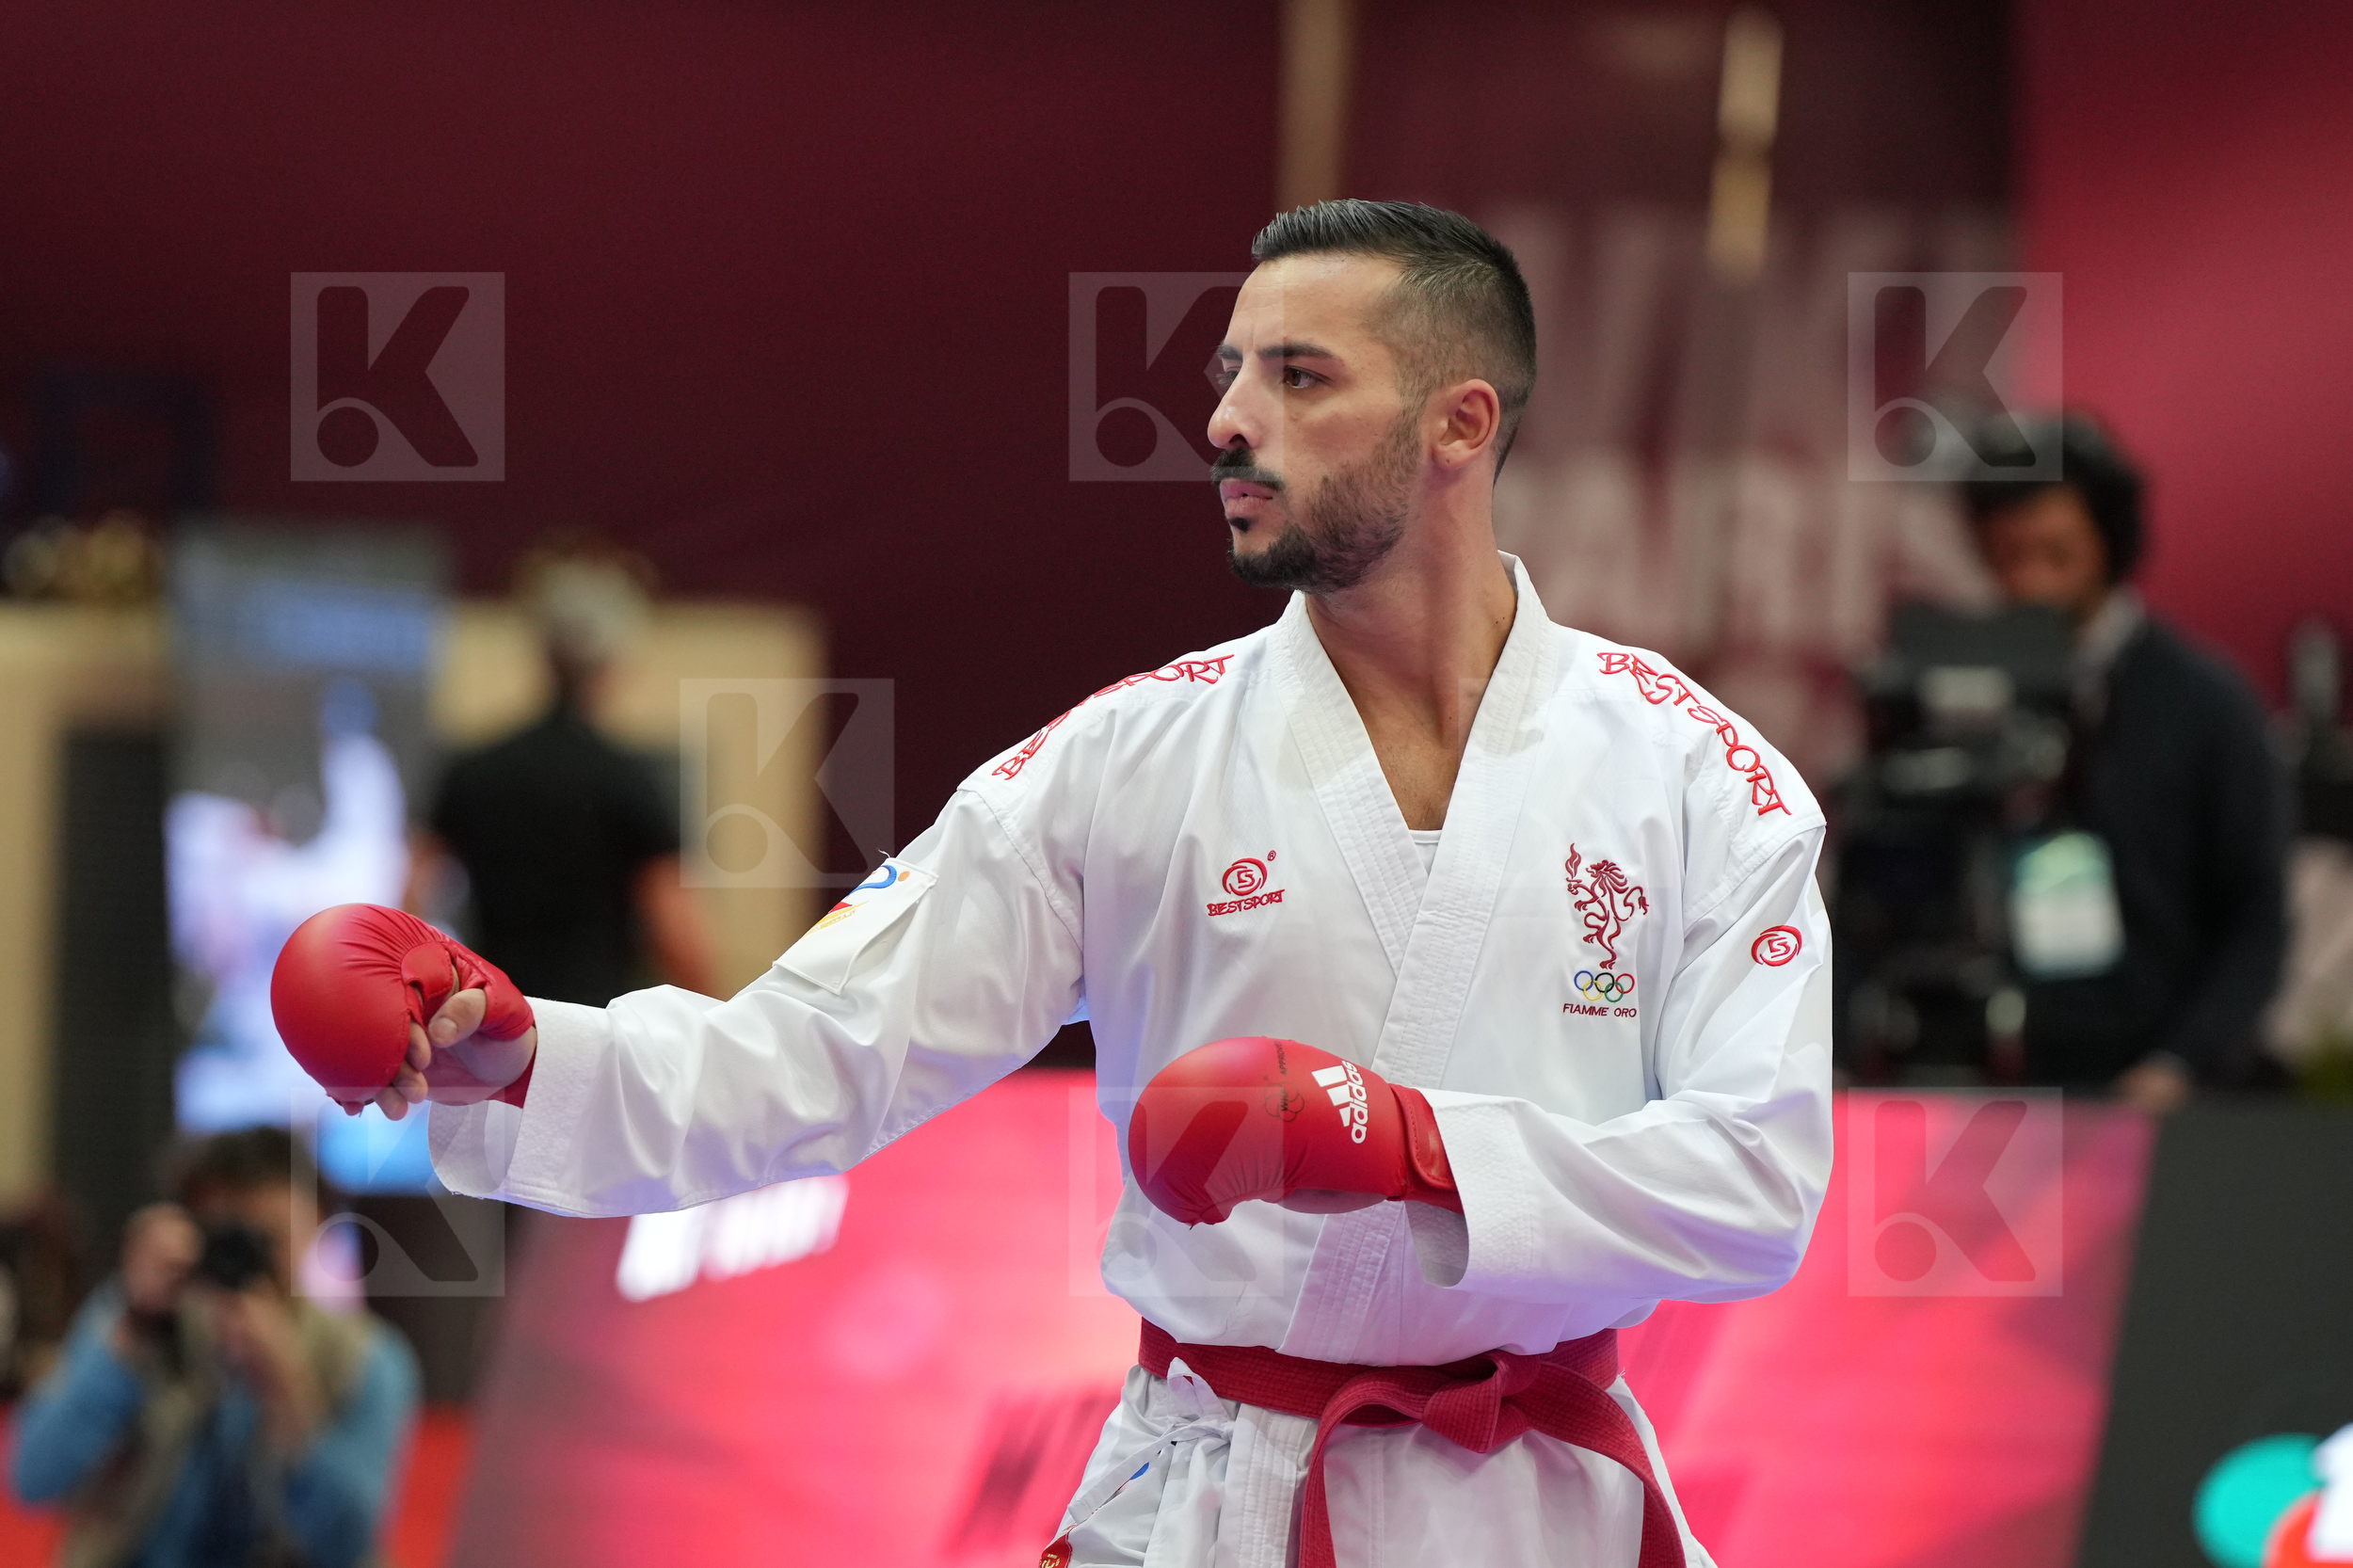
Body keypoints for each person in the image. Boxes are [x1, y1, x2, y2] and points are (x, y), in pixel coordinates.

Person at [281, 201, 1831, 1567]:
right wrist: (524, 1050)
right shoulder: (1118, 766)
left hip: (1543, 1511)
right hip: (1212, 1500)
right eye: (1229, 372)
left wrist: (1409, 1149)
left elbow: (1757, 1183)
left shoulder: (1701, 776)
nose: (1228, 419)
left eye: (1299, 377)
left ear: (1459, 424)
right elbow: (813, 1054)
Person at [1961, 417, 2288, 1112]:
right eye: (2009, 556)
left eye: (2057, 554)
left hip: (2156, 1085)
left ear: (2110, 544)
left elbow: (2257, 915)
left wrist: (2181, 1064)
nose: (2030, 583)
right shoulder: (1958, 699)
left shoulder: (2207, 703)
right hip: (1993, 1083)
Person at [7, 1128, 419, 1568]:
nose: (244, 1258)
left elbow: (349, 1541)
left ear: (317, 1221)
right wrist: (132, 1330)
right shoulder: (133, 1322)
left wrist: (286, 1387)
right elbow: (34, 1478)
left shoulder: (367, 1359)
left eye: (267, 1237)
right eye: (225, 1235)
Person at [414, 549, 716, 1003]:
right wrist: (715, 1031)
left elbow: (411, 898)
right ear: (614, 661)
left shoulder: (475, 769)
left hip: (491, 1018)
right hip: (594, 1029)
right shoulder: (628, 777)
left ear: (542, 652)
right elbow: (676, 931)